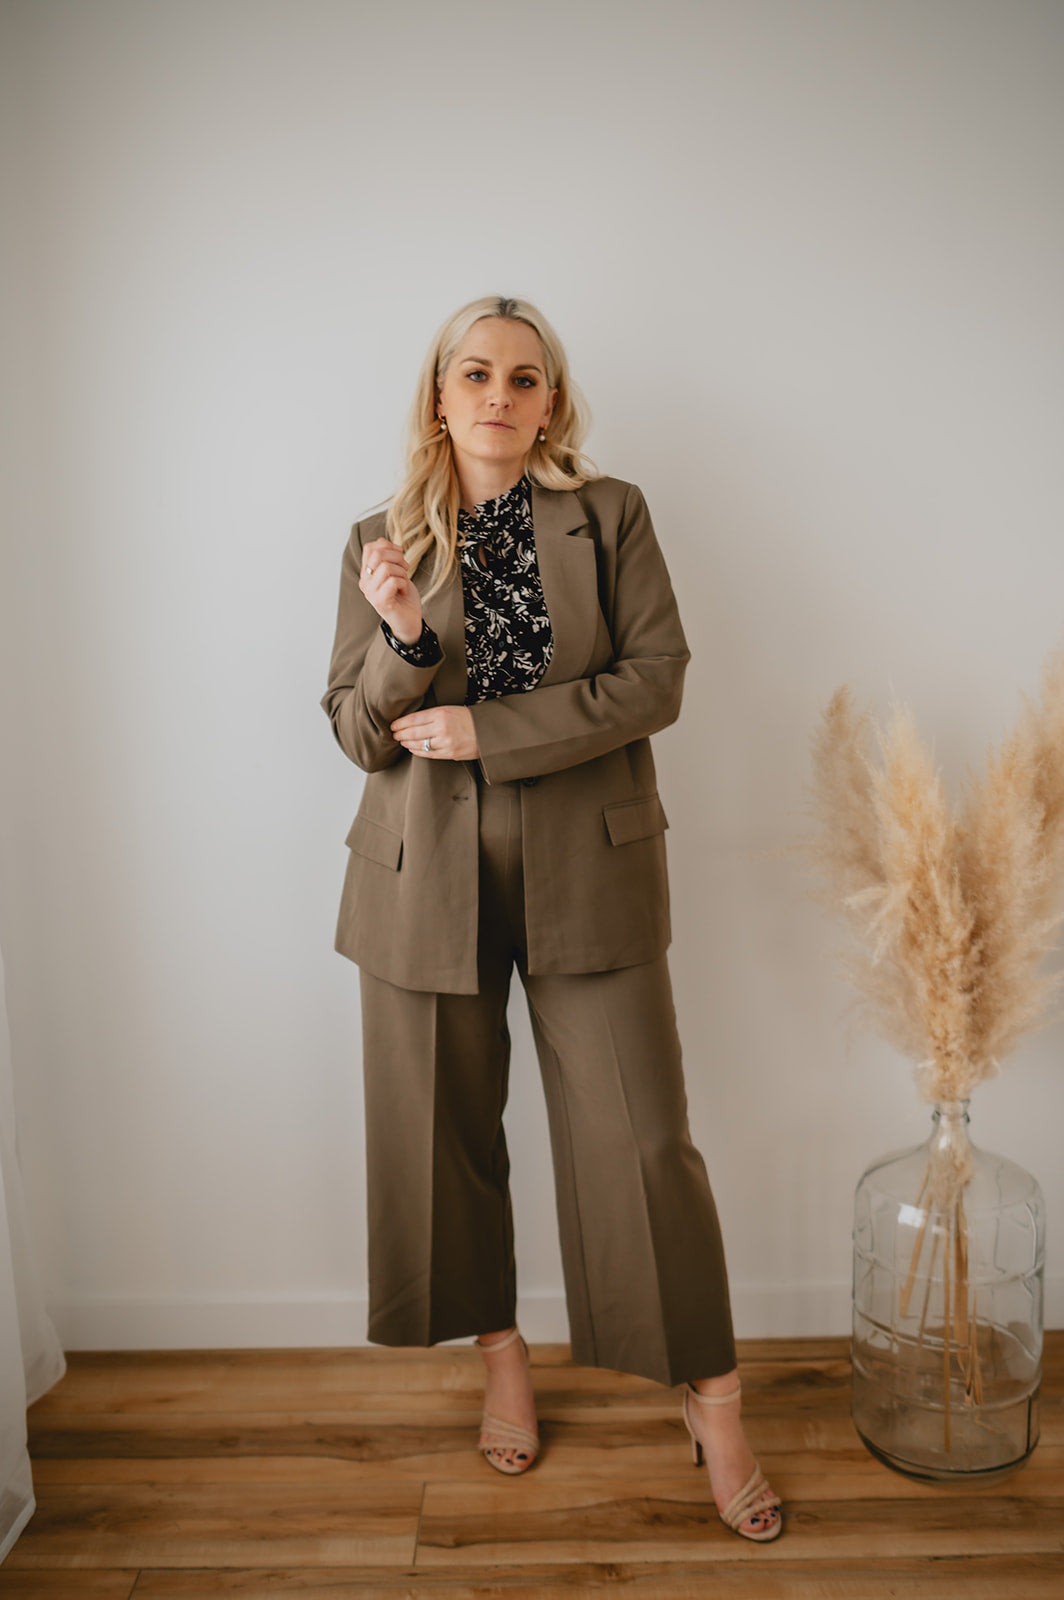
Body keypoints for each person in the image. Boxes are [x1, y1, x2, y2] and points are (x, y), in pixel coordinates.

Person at [321, 296, 782, 1542]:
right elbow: (358, 732)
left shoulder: (610, 514)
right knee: (443, 1136)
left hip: (591, 860)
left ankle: (714, 1402)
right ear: (438, 396)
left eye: (523, 378)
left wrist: (492, 731)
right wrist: (402, 635)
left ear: (550, 403)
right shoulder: (377, 537)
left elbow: (654, 678)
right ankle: (502, 1356)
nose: (498, 395)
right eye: (474, 373)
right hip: (421, 876)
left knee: (643, 1142)